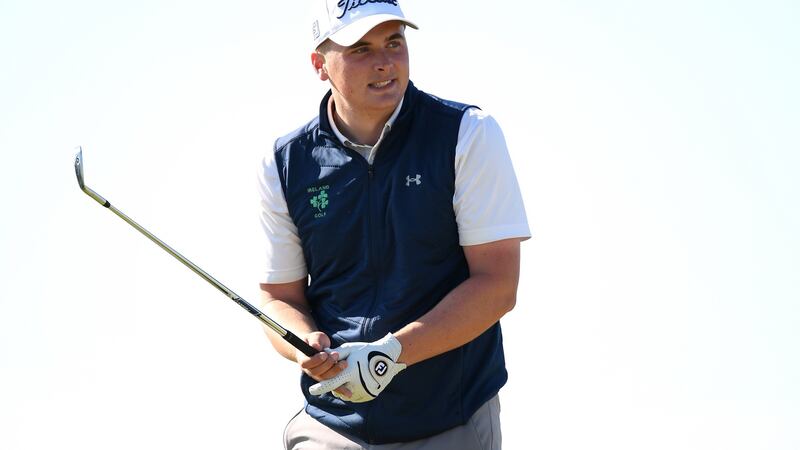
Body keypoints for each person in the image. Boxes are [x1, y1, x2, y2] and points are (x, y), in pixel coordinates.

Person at [257, 1, 530, 448]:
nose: (384, 62)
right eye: (360, 49)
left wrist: (390, 355)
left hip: (451, 418)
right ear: (319, 65)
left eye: (394, 42)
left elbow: (497, 284)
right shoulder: (284, 163)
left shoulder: (468, 134)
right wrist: (304, 343)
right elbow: (277, 297)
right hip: (333, 425)